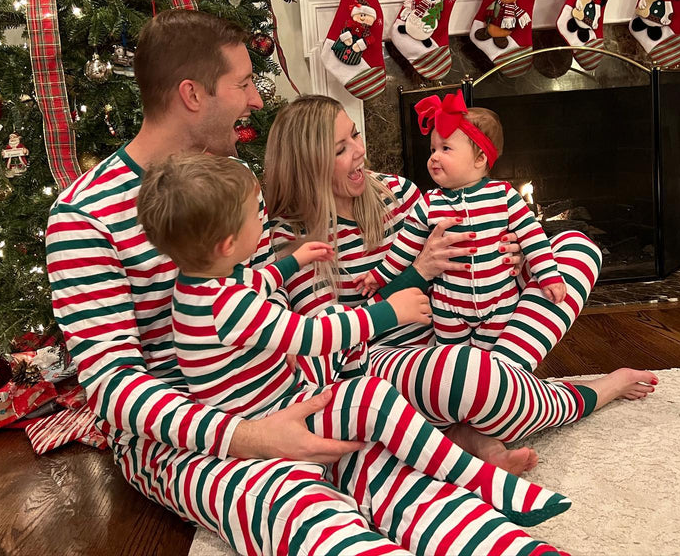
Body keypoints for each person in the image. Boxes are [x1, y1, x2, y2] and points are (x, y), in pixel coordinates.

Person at [46, 9, 577, 556]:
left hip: (289, 387)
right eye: (244, 83)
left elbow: (267, 299)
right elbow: (114, 388)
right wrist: (253, 438)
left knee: (392, 471)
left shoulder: (236, 184)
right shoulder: (84, 218)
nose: (256, 100)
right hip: (187, 434)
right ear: (192, 94)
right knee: (296, 504)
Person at [136, 152, 572, 527]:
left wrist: (292, 264)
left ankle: (485, 430)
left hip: (291, 393)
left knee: (575, 254)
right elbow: (309, 334)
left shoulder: (202, 283)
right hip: (276, 417)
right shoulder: (226, 302)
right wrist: (387, 310)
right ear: (228, 243)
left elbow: (257, 280)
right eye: (256, 214)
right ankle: (485, 473)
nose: (263, 220)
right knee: (380, 399)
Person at [263, 94, 658, 475]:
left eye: (355, 134)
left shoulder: (395, 192)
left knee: (576, 248)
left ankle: (485, 404)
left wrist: (513, 256)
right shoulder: (292, 238)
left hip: (462, 318)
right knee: (470, 376)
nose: (359, 151)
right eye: (340, 148)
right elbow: (324, 343)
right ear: (309, 164)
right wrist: (417, 274)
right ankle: (594, 391)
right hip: (384, 358)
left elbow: (468, 253)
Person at [356, 92, 567, 349]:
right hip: (448, 307)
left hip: (499, 303)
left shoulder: (503, 196)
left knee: (491, 357)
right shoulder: (430, 202)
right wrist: (379, 276)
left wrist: (549, 275)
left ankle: (502, 379)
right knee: (453, 357)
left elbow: (533, 237)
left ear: (480, 159)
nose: (434, 156)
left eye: (445, 149)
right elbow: (404, 248)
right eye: (432, 149)